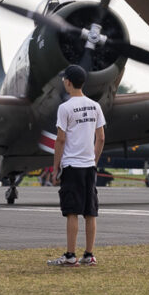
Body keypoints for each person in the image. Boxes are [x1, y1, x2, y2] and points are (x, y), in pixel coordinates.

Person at [48, 65, 105, 266]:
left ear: (69, 82)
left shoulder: (65, 108)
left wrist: (56, 167)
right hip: (89, 166)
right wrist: (94, 160)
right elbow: (101, 138)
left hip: (72, 165)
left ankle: (70, 255)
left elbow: (61, 140)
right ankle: (89, 254)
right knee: (90, 211)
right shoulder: (95, 106)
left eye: (65, 79)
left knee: (72, 211)